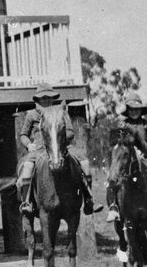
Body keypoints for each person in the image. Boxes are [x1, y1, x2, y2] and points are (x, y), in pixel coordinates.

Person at [16, 83, 101, 217]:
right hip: (39, 149)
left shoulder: (61, 112)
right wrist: (28, 144)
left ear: (52, 99)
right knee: (27, 167)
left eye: (48, 98)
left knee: (84, 163)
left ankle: (89, 199)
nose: (46, 100)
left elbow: (70, 132)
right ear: (38, 100)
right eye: (43, 98)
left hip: (61, 147)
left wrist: (58, 137)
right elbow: (23, 134)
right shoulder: (32, 114)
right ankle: (27, 202)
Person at [106, 93, 147, 223]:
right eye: (131, 109)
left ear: (141, 110)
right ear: (127, 110)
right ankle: (113, 207)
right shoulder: (122, 124)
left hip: (146, 156)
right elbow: (114, 142)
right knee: (112, 177)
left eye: (137, 109)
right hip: (125, 157)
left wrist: (145, 152)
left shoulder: (146, 124)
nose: (134, 111)